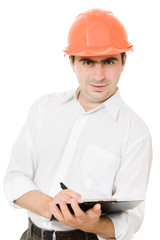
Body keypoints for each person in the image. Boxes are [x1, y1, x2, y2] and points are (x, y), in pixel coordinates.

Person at [4, 8, 152, 240]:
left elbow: (131, 219)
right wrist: (51, 205)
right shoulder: (43, 109)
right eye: (88, 62)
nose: (99, 75)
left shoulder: (135, 132)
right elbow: (14, 177)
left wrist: (91, 224)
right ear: (71, 62)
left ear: (124, 61)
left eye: (109, 61)